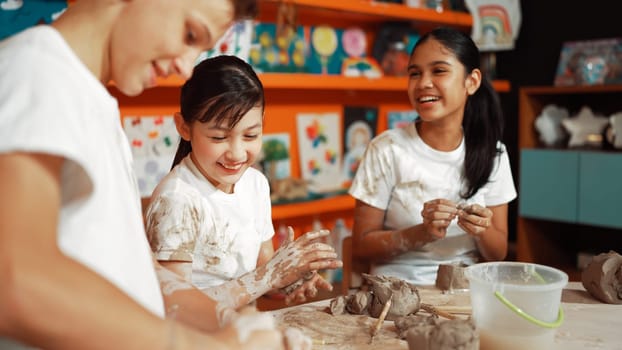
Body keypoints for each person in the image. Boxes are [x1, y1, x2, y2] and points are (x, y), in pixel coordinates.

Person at [0, 0, 297, 349]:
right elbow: (15, 280)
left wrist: (230, 322)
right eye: (189, 34)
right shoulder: (39, 73)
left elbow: (143, 276)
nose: (186, 68)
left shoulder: (92, 102)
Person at [145, 55, 342, 310]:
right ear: (184, 128)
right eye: (219, 137)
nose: (237, 153)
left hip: (242, 329)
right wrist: (269, 276)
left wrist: (290, 279)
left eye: (250, 135)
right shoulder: (177, 199)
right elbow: (178, 307)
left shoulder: (256, 184)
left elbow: (262, 276)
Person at [348, 26, 517, 286]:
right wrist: (421, 233)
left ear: (471, 81)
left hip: (464, 291)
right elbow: (360, 245)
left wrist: (481, 231)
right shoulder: (386, 149)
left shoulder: (493, 154)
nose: (423, 83)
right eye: (415, 73)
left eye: (439, 70)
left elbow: (498, 252)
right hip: (395, 292)